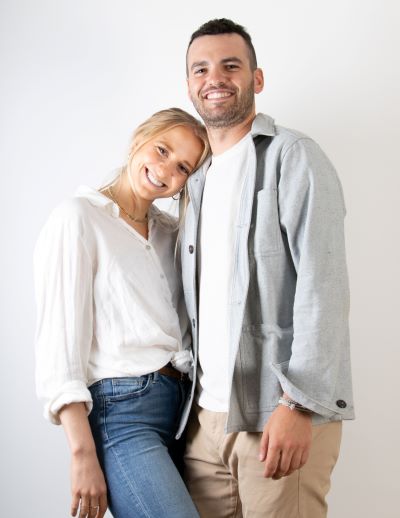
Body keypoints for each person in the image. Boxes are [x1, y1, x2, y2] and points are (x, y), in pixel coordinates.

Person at [180, 18, 355, 518]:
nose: (215, 77)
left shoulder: (292, 157)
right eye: (201, 69)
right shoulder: (195, 180)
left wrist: (300, 405)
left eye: (231, 65)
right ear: (190, 85)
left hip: (277, 412)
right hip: (205, 420)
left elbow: (324, 288)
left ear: (256, 79)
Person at [34, 107, 209, 518]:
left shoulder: (173, 235)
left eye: (182, 166)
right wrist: (82, 454)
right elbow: (59, 348)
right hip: (122, 416)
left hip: (184, 415)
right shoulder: (79, 217)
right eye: (161, 149)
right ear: (139, 140)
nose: (165, 169)